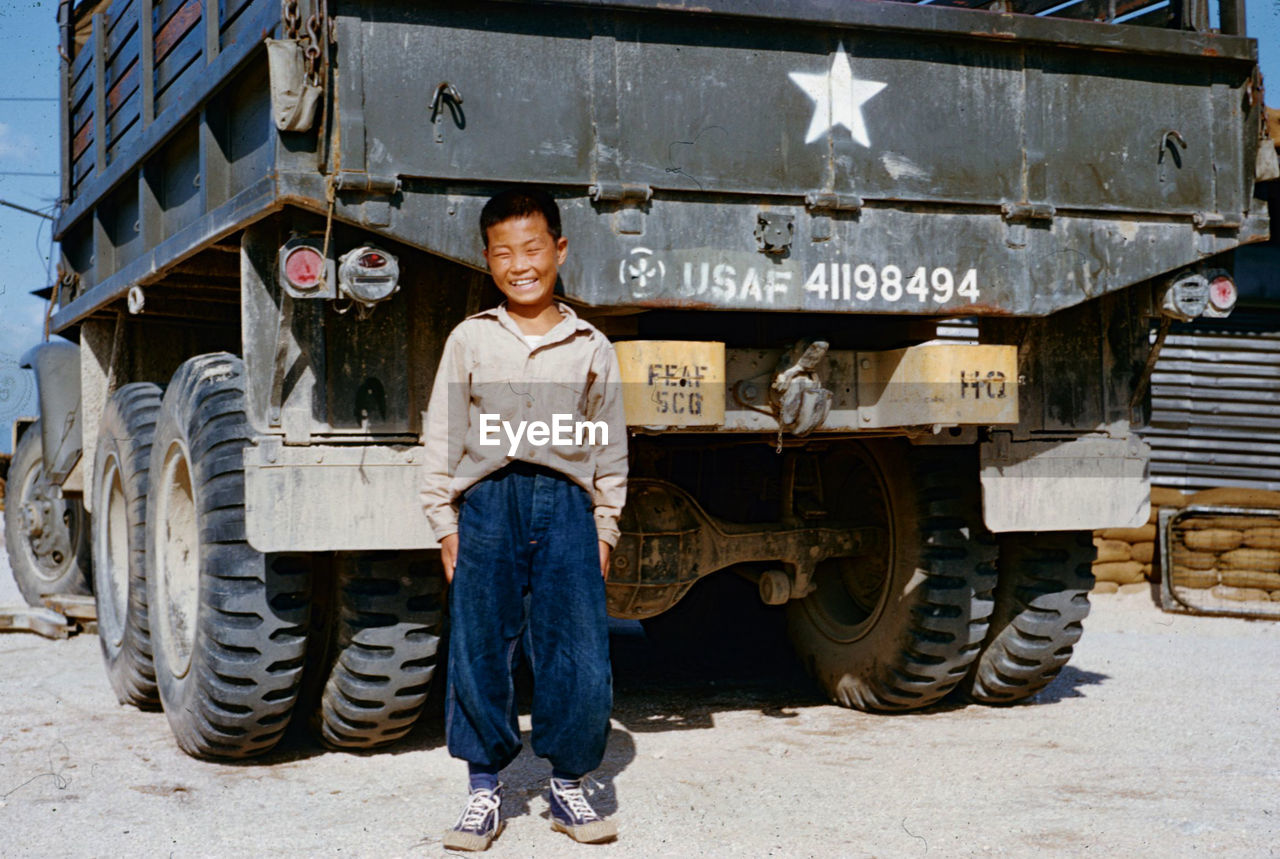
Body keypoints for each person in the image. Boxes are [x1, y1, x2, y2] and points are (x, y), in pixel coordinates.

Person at [419, 187, 628, 851]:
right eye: (504, 252)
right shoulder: (471, 338)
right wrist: (444, 521)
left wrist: (604, 523)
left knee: (579, 649)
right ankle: (485, 790)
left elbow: (609, 442)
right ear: (487, 260)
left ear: (559, 250)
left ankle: (569, 783)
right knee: (482, 644)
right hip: (488, 504)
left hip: (567, 503)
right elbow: (441, 434)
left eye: (533, 247)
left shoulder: (591, 343)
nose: (521, 263)